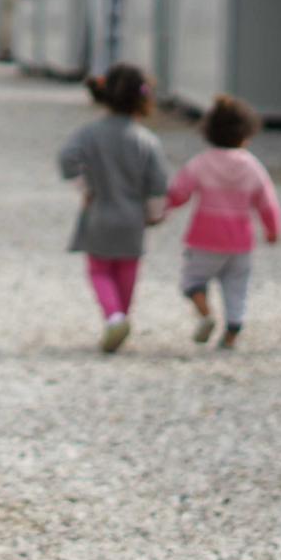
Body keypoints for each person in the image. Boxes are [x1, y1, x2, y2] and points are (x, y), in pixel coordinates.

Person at [59, 63, 168, 353]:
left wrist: (86, 187)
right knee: (127, 270)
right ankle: (123, 315)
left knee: (99, 270)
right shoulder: (146, 140)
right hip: (133, 218)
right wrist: (155, 213)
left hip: (99, 212)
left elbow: (67, 158)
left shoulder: (89, 133)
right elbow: (158, 183)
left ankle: (113, 316)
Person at [165, 94, 281, 349]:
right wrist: (272, 229)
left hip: (204, 238)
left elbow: (179, 192)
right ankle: (232, 330)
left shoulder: (200, 163)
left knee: (192, 280)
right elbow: (267, 201)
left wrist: (162, 208)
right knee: (236, 286)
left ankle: (206, 313)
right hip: (241, 240)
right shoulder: (253, 166)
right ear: (247, 134)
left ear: (208, 132)